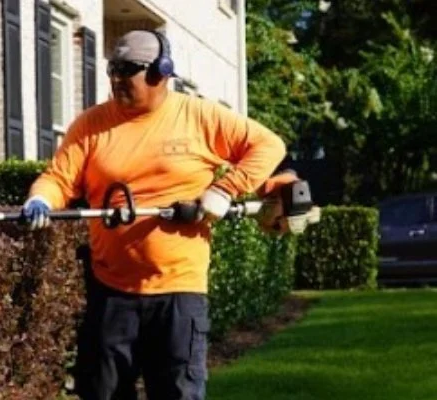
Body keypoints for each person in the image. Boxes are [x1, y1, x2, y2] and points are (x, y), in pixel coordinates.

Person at [20, 29, 288, 400]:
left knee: (178, 393)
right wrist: (42, 200)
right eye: (113, 70)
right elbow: (58, 178)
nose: (117, 80)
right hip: (111, 290)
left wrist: (224, 190)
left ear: (160, 72)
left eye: (128, 71)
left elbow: (268, 145)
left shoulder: (199, 116)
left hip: (179, 291)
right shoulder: (91, 125)